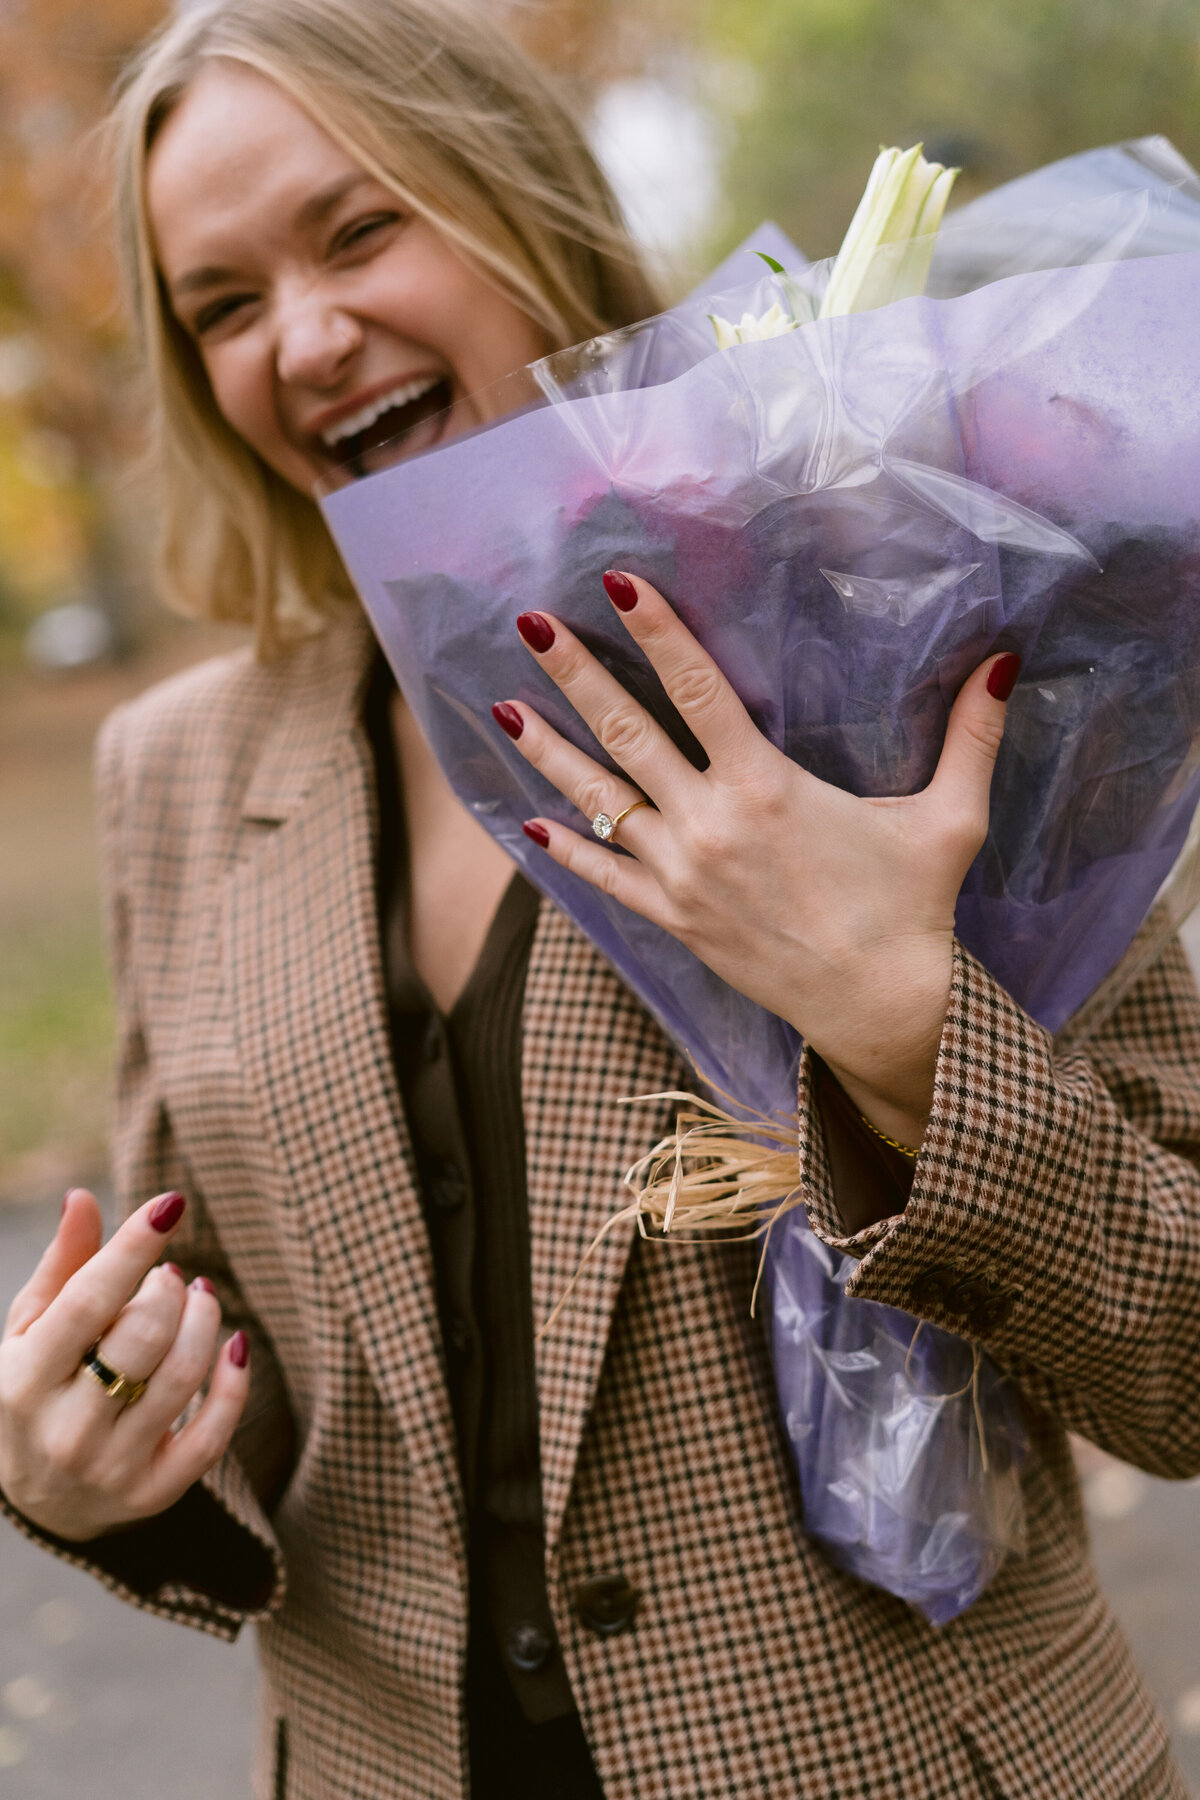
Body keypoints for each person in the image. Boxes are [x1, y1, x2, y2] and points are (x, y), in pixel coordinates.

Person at [0, 2, 1197, 1795]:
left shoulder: (897, 613)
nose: (307, 340)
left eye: (358, 228)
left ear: (520, 205)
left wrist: (901, 1025)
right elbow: (228, 1343)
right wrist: (85, 1460)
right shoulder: (173, 769)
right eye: (224, 305)